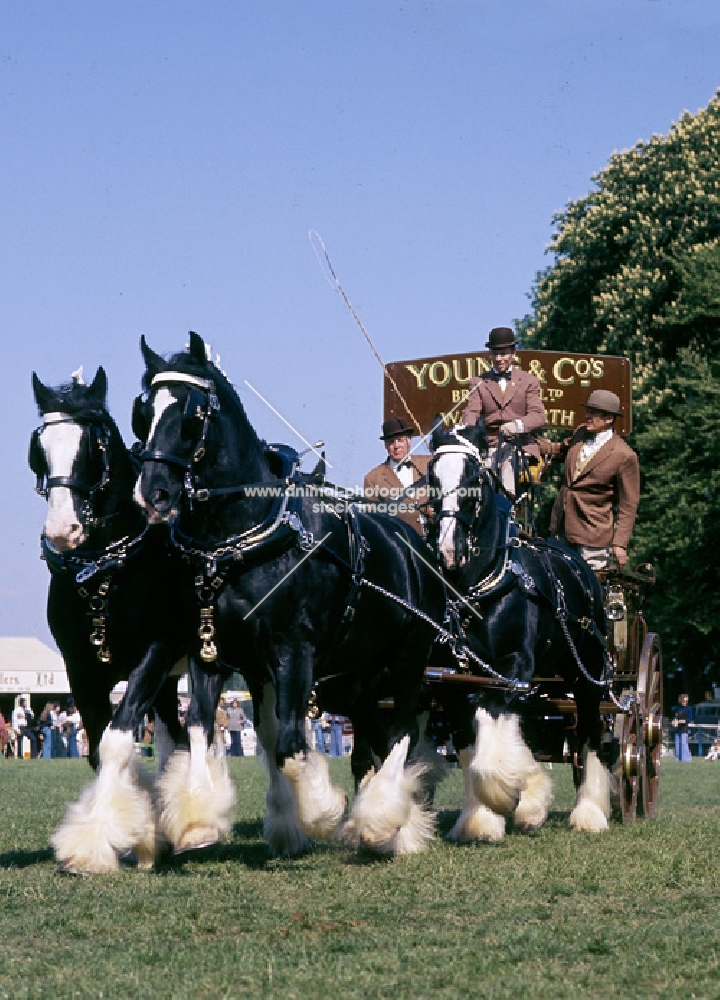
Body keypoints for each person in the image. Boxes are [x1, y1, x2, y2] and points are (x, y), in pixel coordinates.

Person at [547, 389, 640, 571]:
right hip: (560, 528)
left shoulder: (624, 455)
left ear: (609, 419)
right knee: (556, 586)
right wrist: (526, 439)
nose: (588, 416)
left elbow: (629, 504)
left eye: (593, 413)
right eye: (588, 411)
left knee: (590, 591)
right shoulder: (580, 434)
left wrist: (620, 543)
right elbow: (558, 450)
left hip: (592, 537)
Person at [460, 326, 546, 496]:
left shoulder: (528, 381)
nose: (499, 359)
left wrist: (517, 425)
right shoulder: (479, 382)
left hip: (520, 446)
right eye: (494, 354)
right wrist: (466, 428)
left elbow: (538, 415)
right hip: (489, 446)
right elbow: (472, 411)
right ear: (489, 355)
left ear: (513, 353)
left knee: (507, 460)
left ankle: (507, 504)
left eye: (504, 353)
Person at [363, 416, 430, 537]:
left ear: (409, 441)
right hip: (404, 546)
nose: (396, 446)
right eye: (391, 442)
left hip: (439, 540)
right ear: (385, 446)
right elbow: (373, 521)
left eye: (400, 440)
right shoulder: (373, 478)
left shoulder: (429, 464)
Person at [671, 694, 693, 761]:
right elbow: (674, 717)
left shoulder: (689, 708)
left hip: (684, 729)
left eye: (686, 700)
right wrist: (673, 721)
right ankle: (678, 759)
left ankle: (686, 759)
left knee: (684, 744)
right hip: (677, 729)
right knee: (677, 744)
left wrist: (684, 721)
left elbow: (690, 719)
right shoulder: (677, 708)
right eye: (683, 700)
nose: (684, 702)